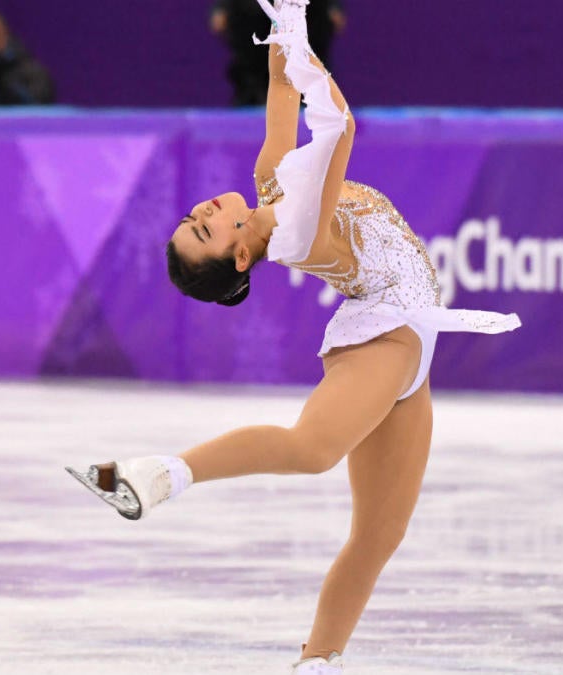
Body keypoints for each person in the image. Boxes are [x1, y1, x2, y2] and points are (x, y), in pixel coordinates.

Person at [67, 0, 520, 671]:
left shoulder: (270, 181)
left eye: (191, 218)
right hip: (385, 335)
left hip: (411, 342)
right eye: (201, 230)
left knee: (378, 534)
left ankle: (317, 661)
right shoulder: (302, 226)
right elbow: (339, 127)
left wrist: (287, 21)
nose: (199, 211)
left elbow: (280, 86)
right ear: (239, 255)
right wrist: (305, 56)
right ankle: (158, 473)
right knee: (313, 449)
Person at [211, 0, 345, 106]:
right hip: (254, 15)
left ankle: (308, 102)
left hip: (303, 12)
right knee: (254, 54)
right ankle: (252, 98)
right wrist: (223, 6)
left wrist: (333, 6)